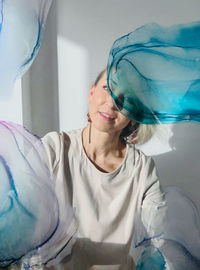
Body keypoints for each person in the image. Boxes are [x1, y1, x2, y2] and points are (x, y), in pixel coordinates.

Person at [42, 69, 165, 270]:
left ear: (134, 116)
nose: (112, 102)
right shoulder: (53, 148)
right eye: (108, 88)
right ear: (91, 92)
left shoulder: (142, 169)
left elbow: (161, 233)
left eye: (127, 99)